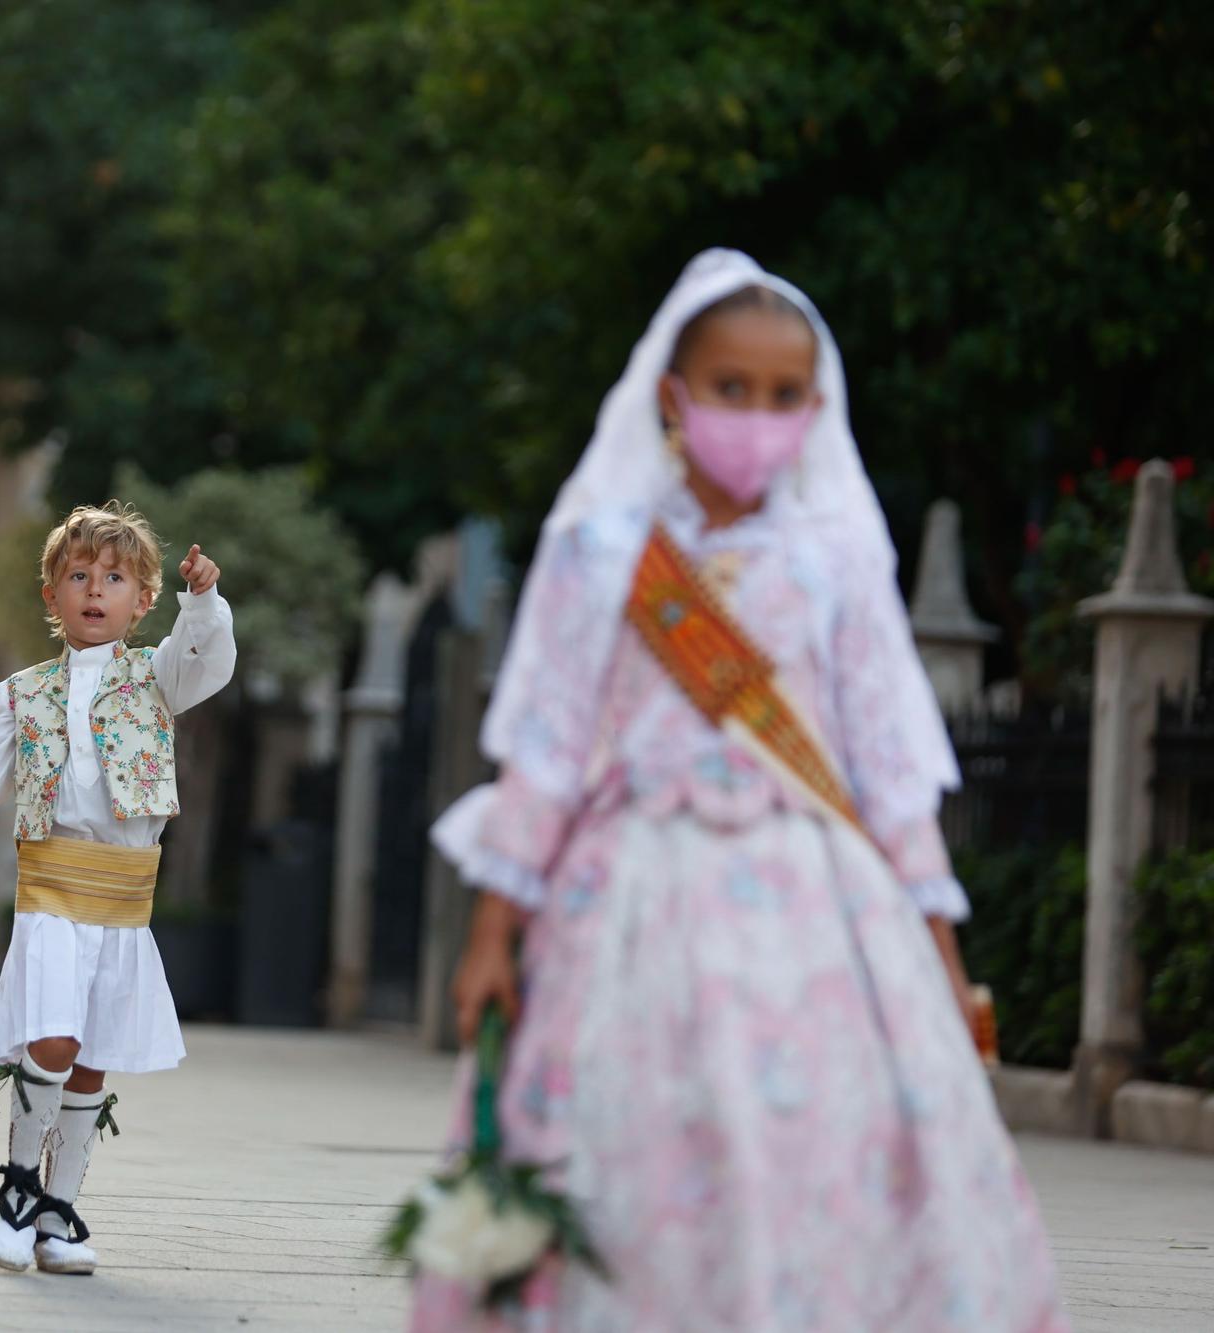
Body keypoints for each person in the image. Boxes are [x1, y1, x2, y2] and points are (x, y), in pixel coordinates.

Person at [415, 250, 1067, 1330]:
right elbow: (544, 747)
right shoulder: (600, 550)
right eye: (730, 388)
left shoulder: (834, 560)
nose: (754, 416)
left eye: (781, 395)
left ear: (812, 408)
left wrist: (944, 966)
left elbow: (888, 772)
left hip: (813, 912)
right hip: (625, 898)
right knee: (625, 1152)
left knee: (804, 1151)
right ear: (673, 395)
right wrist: (492, 932)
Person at [0, 503, 235, 1275]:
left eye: (115, 578)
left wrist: (203, 602)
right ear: (52, 596)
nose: (96, 589)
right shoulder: (16, 694)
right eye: (79, 576)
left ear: (141, 598)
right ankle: (17, 1190)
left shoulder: (158, 677)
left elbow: (207, 659)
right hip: (53, 887)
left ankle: (59, 1209)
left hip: (123, 899)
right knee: (52, 1036)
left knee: (91, 1055)